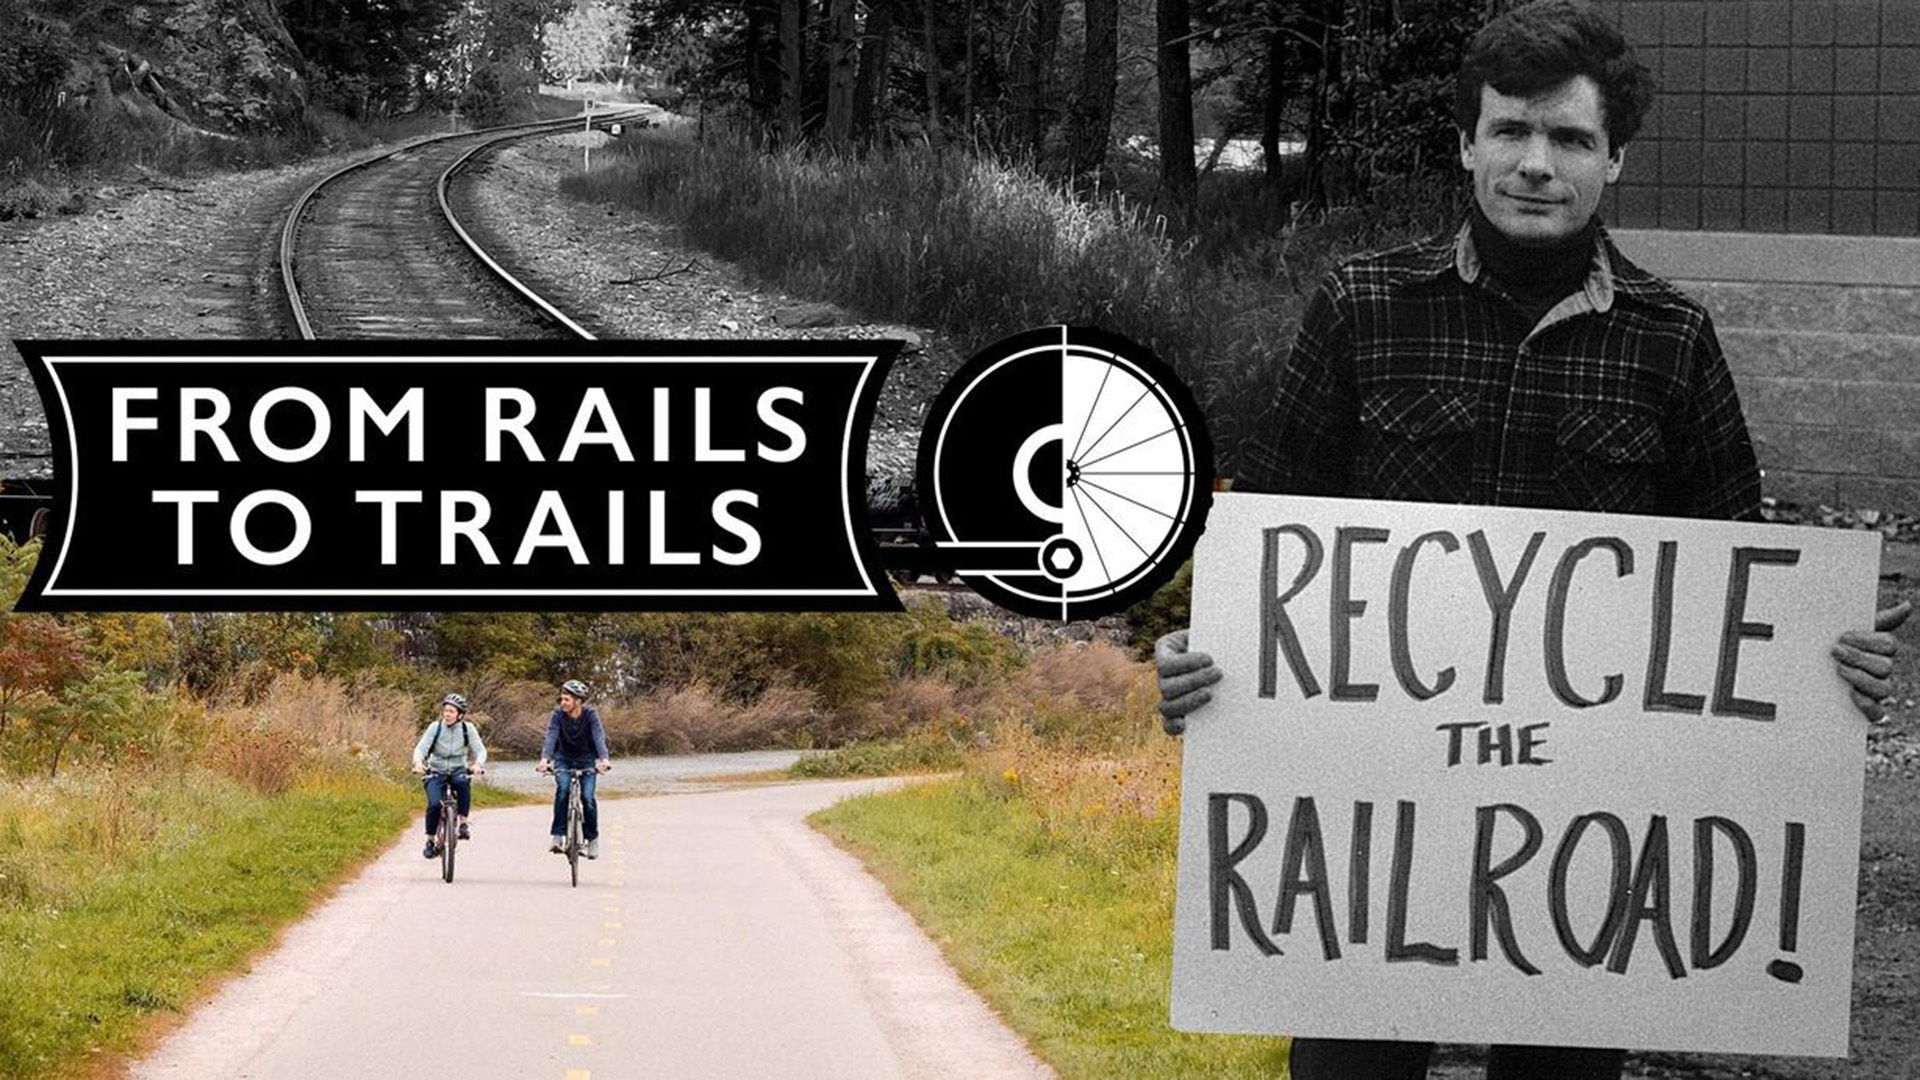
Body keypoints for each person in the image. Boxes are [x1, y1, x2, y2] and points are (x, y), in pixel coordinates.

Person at [1153, 3, 1908, 1077]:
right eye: (1510, 131)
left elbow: (1740, 586)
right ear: (1467, 144)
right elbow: (1274, 542)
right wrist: (1201, 654)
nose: (1536, 164)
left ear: (1616, 162)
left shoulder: (1673, 339)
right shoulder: (1361, 307)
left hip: (1580, 860)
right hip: (1370, 833)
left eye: (1570, 139)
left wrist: (1829, 661)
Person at [537, 677, 611, 858]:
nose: (562, 703)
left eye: (566, 699)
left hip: (587, 760)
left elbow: (598, 736)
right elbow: (551, 736)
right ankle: (558, 836)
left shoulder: (590, 715)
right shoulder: (558, 715)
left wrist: (604, 759)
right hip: (563, 759)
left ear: (578, 701)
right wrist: (545, 759)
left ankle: (592, 839)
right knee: (563, 790)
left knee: (588, 798)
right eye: (562, 699)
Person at [411, 692, 487, 859]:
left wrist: (478, 765)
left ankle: (463, 824)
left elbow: (480, 750)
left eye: (452, 711)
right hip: (435, 771)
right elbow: (421, 748)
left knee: (462, 782)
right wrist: (418, 763)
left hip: (458, 769)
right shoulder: (435, 728)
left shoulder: (468, 729)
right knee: (434, 805)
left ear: (460, 715)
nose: (447, 714)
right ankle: (430, 841)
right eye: (446, 710)